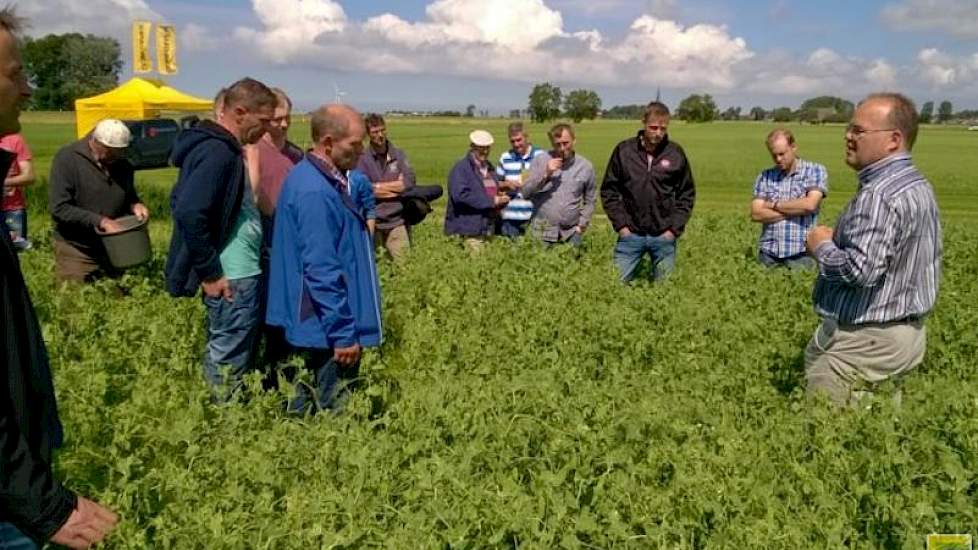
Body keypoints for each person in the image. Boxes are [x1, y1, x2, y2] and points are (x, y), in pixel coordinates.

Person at [0, 8, 119, 549]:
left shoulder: (117, 164)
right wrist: (38, 501)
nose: (27, 88)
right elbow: (63, 209)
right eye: (14, 73)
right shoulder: (71, 160)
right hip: (9, 493)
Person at [805, 92, 942, 406]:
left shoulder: (879, 194)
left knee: (830, 439)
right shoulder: (917, 184)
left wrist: (821, 246)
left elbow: (860, 270)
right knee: (877, 440)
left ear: (894, 140)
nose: (848, 136)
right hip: (903, 337)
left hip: (867, 341)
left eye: (858, 130)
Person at [164, 77, 276, 402]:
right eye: (263, 121)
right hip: (231, 274)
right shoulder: (218, 152)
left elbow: (182, 201)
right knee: (229, 352)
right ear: (240, 112)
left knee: (233, 347)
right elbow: (188, 211)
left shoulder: (219, 148)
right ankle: (222, 421)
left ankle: (222, 412)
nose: (266, 130)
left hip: (235, 270)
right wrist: (211, 272)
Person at [266, 104, 382, 414]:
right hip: (323, 326)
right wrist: (344, 334)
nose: (361, 152)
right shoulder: (315, 191)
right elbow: (321, 268)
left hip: (319, 321)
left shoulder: (319, 179)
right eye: (355, 144)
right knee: (333, 409)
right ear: (328, 142)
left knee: (305, 405)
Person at [600, 101, 695, 282]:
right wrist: (621, 226)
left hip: (663, 236)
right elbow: (609, 191)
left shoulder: (675, 153)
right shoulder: (624, 151)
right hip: (630, 235)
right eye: (653, 127)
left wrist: (673, 230)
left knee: (664, 291)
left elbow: (686, 194)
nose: (658, 133)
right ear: (643, 123)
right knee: (613, 285)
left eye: (663, 128)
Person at [48, 119, 149, 282]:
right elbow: (59, 208)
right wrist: (101, 221)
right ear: (95, 141)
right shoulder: (68, 159)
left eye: (120, 151)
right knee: (75, 301)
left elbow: (128, 194)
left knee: (117, 300)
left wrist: (135, 204)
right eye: (111, 151)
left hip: (113, 247)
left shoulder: (122, 163)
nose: (117, 156)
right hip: (76, 248)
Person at [751, 129, 827, 269]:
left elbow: (810, 205)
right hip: (768, 254)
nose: (778, 159)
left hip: (801, 253)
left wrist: (773, 205)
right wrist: (796, 209)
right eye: (774, 155)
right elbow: (756, 213)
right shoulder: (765, 176)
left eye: (782, 154)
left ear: (793, 147)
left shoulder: (814, 171)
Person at [521, 123, 596, 247]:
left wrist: (581, 225)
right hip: (542, 233)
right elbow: (525, 192)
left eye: (565, 143)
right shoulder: (540, 160)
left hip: (571, 234)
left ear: (574, 140)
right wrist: (546, 174)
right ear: (552, 143)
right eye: (557, 144)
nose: (562, 148)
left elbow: (590, 200)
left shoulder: (585, 167)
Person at [355, 113, 415, 261]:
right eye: (375, 132)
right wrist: (395, 188)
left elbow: (408, 182)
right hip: (373, 222)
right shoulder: (362, 158)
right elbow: (363, 188)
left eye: (383, 130)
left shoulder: (398, 155)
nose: (380, 135)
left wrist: (377, 187)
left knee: (405, 266)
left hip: (397, 221)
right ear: (368, 134)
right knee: (377, 267)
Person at [444, 129, 509, 252]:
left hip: (488, 226)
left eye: (487, 148)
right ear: (472, 147)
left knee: (487, 266)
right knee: (476, 266)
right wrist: (492, 201)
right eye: (481, 148)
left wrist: (499, 196)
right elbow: (460, 196)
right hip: (469, 228)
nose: (484, 151)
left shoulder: (489, 168)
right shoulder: (461, 168)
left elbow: (488, 190)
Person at [496, 121, 544, 238]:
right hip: (510, 216)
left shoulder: (541, 155)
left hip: (535, 215)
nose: (516, 144)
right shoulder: (505, 157)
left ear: (526, 137)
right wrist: (506, 184)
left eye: (519, 140)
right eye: (513, 141)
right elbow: (495, 184)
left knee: (536, 252)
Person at [1, 131, 33, 250]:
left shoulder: (14, 140)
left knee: (16, 254)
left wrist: (5, 182)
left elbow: (29, 176)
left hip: (12, 210)